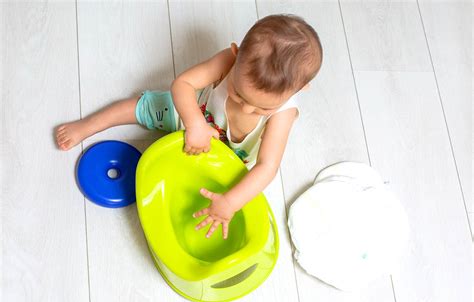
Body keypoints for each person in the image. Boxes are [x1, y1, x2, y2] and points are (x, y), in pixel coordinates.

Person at [55, 14, 323, 239]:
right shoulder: (228, 62)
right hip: (192, 115)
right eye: (239, 94)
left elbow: (267, 167)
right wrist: (194, 122)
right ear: (236, 54)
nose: (246, 109)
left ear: (298, 90)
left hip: (228, 160)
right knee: (139, 106)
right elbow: (182, 84)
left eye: (262, 109)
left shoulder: (284, 112)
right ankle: (87, 125)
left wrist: (230, 202)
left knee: (199, 194)